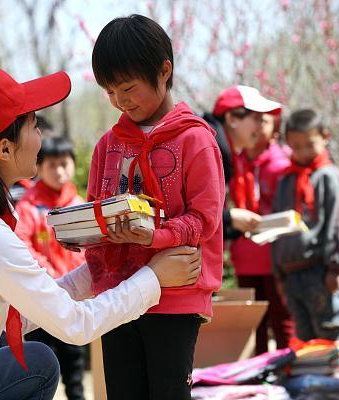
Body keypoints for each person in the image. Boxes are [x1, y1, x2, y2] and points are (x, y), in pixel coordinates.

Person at [0, 63, 202, 400]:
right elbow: (75, 324)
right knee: (41, 361)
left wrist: (99, 271)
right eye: (33, 126)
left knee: (38, 362)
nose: (40, 138)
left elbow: (11, 314)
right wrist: (153, 279)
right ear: (4, 149)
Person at [88, 15, 225, 400]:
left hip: (176, 296)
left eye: (128, 87)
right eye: (110, 91)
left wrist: (156, 235)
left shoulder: (196, 140)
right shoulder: (107, 145)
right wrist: (78, 232)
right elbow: (95, 210)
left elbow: (205, 218)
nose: (120, 101)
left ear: (164, 71)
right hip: (117, 295)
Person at [272, 109, 339, 341]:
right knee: (305, 339)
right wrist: (278, 272)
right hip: (292, 274)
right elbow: (277, 230)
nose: (303, 152)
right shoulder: (286, 180)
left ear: (325, 137)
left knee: (331, 332)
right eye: (296, 147)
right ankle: (313, 378)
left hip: (320, 271)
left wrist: (336, 267)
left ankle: (338, 378)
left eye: (309, 145)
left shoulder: (329, 177)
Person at [15, 136, 86, 400]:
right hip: (41, 297)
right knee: (43, 357)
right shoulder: (28, 207)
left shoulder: (79, 203)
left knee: (74, 359)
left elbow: (88, 249)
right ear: (39, 167)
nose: (58, 171)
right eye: (51, 165)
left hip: (73, 297)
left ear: (73, 165)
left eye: (64, 164)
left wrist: (75, 280)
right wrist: (51, 276)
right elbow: (22, 246)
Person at [229, 109, 295, 352]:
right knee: (254, 324)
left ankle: (286, 375)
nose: (257, 126)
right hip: (246, 257)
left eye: (264, 121)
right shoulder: (234, 161)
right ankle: (259, 379)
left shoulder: (282, 165)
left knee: (282, 320)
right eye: (253, 120)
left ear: (275, 129)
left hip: (275, 258)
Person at [203, 85, 281, 240]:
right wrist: (230, 218)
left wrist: (233, 225)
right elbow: (195, 212)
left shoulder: (219, 148)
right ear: (232, 119)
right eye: (256, 118)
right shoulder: (209, 148)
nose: (261, 125)